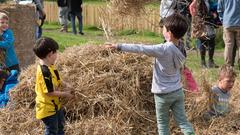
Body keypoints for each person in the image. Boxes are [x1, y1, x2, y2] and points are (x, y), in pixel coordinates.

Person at [105, 13, 195, 135]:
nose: (162, 29)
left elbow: (140, 48)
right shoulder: (182, 48)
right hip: (178, 91)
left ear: (169, 33)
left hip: (162, 94)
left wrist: (119, 46)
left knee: (163, 124)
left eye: (164, 28)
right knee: (183, 122)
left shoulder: (163, 49)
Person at [33, 37, 74, 135]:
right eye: (56, 52)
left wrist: (67, 85)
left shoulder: (50, 65)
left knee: (61, 126)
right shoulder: (44, 72)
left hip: (55, 106)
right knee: (52, 131)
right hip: (47, 109)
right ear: (50, 54)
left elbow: (57, 78)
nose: (57, 55)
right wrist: (66, 94)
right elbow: (50, 92)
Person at [217, 0, 240, 66]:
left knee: (228, 45)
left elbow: (219, 10)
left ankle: (228, 65)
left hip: (228, 22)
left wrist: (223, 21)